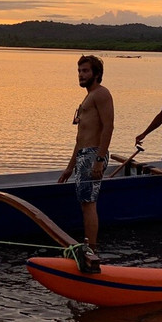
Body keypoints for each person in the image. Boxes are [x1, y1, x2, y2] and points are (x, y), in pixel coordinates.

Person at [58, 54, 114, 252]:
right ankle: (89, 245)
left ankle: (92, 249)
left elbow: (108, 127)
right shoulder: (88, 97)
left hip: (92, 155)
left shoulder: (101, 94)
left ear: (96, 74)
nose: (81, 75)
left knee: (89, 203)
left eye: (85, 71)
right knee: (84, 203)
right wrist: (69, 167)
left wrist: (99, 159)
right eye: (79, 71)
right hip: (83, 155)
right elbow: (80, 138)